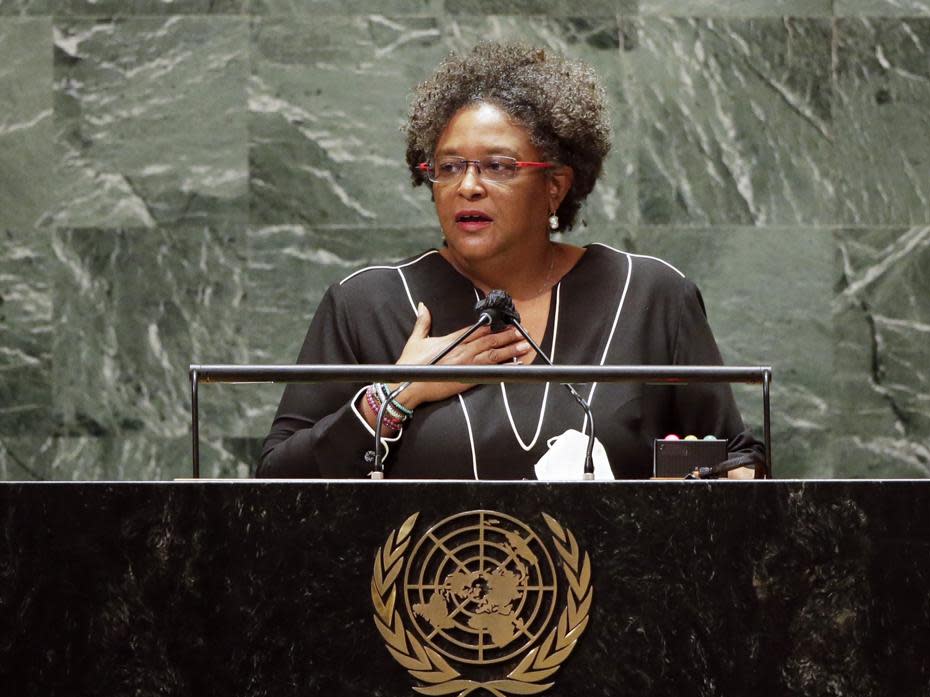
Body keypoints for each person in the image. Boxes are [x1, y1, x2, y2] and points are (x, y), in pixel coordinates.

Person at [258, 42, 763, 479]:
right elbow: (274, 483)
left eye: (498, 166)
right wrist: (393, 395)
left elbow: (733, 460)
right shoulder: (368, 304)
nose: (468, 185)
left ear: (555, 186)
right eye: (449, 167)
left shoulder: (648, 296)